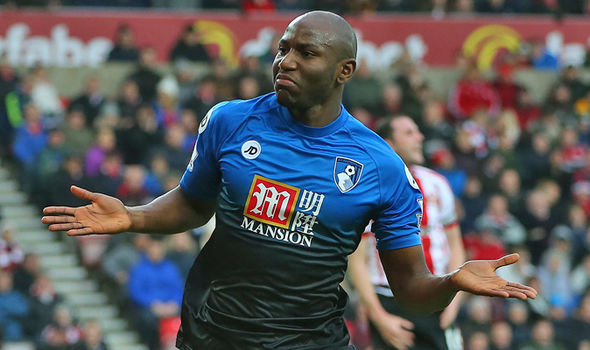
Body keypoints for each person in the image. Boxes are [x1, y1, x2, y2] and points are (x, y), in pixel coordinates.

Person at [42, 11, 536, 350]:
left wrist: (449, 282)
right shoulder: (229, 121)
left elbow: (408, 288)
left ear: (345, 70)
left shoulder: (382, 167)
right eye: (283, 48)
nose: (287, 61)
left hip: (309, 339)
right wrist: (132, 217)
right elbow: (194, 204)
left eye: (307, 53)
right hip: (212, 332)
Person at [348, 115, 466, 350]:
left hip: (438, 296)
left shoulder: (437, 184)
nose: (420, 137)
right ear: (389, 143)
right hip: (390, 302)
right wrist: (379, 316)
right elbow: (357, 260)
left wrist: (455, 301)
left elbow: (455, 246)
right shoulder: (366, 189)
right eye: (409, 133)